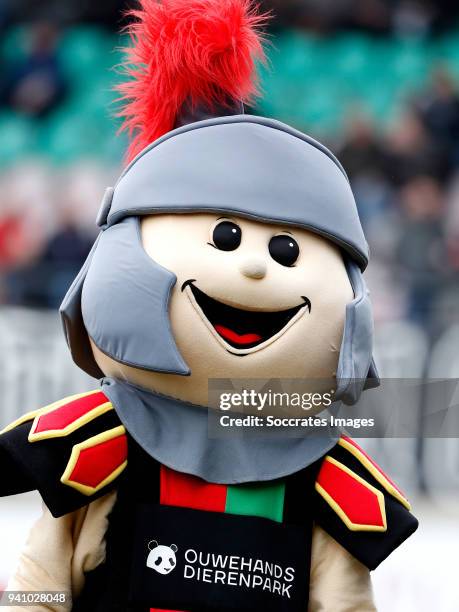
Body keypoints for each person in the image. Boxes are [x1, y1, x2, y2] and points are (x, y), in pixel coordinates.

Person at [0, 1, 417, 610]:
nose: (252, 267)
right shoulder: (102, 443)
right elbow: (42, 580)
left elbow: (344, 598)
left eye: (284, 251)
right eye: (225, 239)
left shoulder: (324, 473)